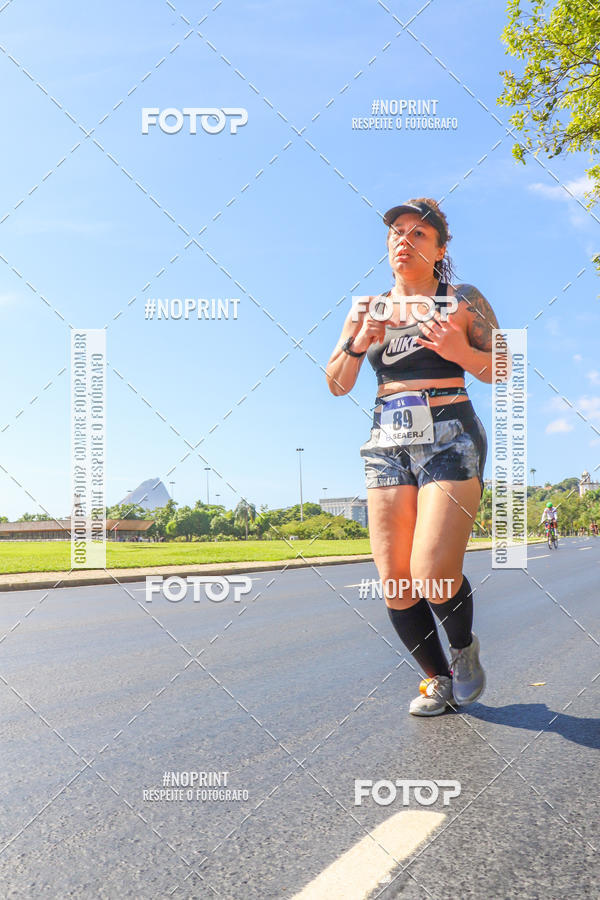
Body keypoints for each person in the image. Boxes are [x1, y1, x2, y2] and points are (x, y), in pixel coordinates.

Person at [326, 197, 503, 716]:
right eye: (397, 232)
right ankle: (437, 680)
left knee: (432, 572)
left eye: (418, 234)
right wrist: (359, 344)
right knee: (398, 582)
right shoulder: (366, 307)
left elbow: (504, 368)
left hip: (450, 433)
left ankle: (465, 648)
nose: (404, 239)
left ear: (440, 248)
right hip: (386, 441)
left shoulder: (462, 299)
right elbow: (337, 384)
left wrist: (459, 352)